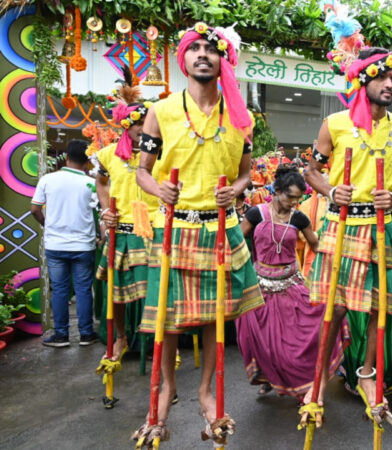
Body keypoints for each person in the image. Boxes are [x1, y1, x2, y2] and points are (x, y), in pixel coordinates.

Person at [133, 22, 263, 445]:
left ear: (224, 60)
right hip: (173, 229)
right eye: (196, 48)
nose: (204, 54)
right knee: (167, 322)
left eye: (212, 49)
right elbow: (141, 172)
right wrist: (160, 189)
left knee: (215, 317)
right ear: (183, 58)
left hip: (220, 229)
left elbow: (245, 174)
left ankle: (206, 389)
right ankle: (168, 387)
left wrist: (235, 191)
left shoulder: (240, 117)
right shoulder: (162, 110)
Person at [304, 47, 392, 416]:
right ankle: (317, 380)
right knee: (333, 308)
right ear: (363, 80)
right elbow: (311, 172)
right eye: (381, 78)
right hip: (342, 223)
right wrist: (332, 191)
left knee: (378, 307)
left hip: (380, 225)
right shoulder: (334, 123)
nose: (389, 85)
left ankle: (366, 373)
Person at [235, 165, 347, 398]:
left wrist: (336, 258)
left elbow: (316, 245)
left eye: (298, 198)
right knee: (265, 343)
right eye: (290, 197)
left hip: (291, 287)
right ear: (276, 190)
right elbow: (236, 243)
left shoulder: (299, 218)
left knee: (294, 343)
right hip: (260, 288)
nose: (294, 203)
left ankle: (306, 387)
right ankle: (271, 377)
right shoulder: (256, 214)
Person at [94, 69, 154, 360]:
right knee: (113, 292)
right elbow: (101, 181)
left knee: (155, 291)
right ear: (125, 126)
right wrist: (106, 210)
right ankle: (120, 338)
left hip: (153, 229)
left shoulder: (159, 154)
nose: (142, 129)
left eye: (146, 123)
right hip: (121, 230)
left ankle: (159, 342)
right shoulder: (107, 154)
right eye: (137, 124)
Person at [31, 139, 99, 348]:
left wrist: (48, 225)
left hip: (55, 245)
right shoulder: (92, 183)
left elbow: (35, 209)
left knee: (59, 290)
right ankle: (86, 334)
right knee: (84, 290)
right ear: (87, 161)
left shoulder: (48, 179)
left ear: (67, 158)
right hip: (83, 245)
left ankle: (61, 335)